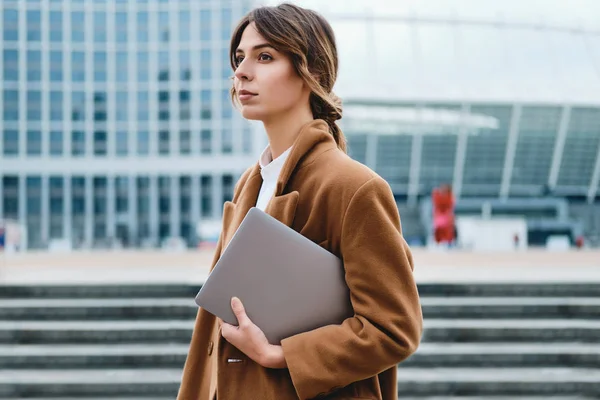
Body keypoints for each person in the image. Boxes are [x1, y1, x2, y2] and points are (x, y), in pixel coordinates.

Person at [177, 4, 423, 400]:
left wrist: (282, 355)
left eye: (265, 56)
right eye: (240, 58)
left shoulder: (353, 187)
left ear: (313, 73)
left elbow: (394, 328)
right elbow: (210, 328)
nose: (241, 71)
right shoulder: (250, 184)